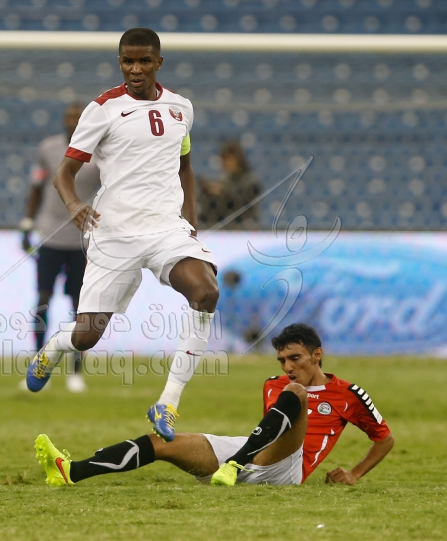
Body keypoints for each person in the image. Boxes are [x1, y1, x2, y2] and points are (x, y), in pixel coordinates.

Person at [26, 28, 220, 443]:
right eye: (128, 61)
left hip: (166, 228)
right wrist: (74, 205)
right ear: (120, 63)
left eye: (144, 61)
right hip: (114, 233)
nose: (135, 69)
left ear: (158, 63)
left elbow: (184, 166)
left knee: (206, 293)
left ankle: (168, 403)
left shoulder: (181, 108)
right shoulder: (102, 109)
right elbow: (63, 174)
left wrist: (191, 222)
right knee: (87, 335)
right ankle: (56, 346)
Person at [33, 323, 394, 487]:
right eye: (282, 360)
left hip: (288, 470)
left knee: (296, 394)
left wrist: (354, 473)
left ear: (317, 355)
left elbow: (385, 438)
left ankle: (234, 465)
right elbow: (271, 427)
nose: (287, 367)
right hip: (255, 452)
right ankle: (71, 471)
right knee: (163, 443)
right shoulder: (274, 385)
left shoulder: (348, 394)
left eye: (295, 358)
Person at [20, 103, 100, 393]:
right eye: (69, 116)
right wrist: (27, 223)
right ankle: (38, 363)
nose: (73, 121)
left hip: (82, 239)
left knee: (80, 307)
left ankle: (75, 371)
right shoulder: (48, 149)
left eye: (78, 117)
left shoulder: (100, 152)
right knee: (43, 299)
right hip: (50, 236)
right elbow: (37, 187)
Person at [199, 140, 261, 231]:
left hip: (245, 223)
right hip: (226, 225)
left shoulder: (251, 179)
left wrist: (223, 191)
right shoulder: (224, 178)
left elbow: (243, 203)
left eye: (229, 159)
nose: (226, 163)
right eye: (224, 159)